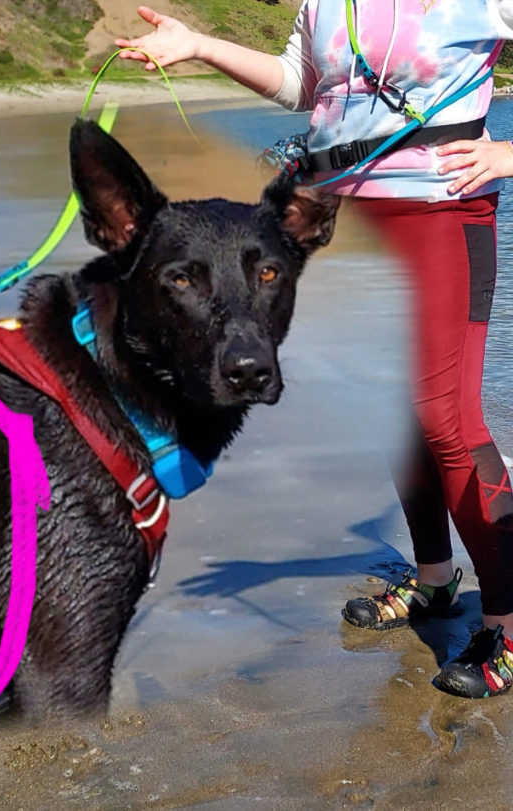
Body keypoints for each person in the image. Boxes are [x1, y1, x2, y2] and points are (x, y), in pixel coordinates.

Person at [115, 1, 513, 698]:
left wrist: (508, 152)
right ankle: (434, 581)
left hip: (438, 211)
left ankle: (508, 624)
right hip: (344, 217)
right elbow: (301, 82)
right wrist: (200, 44)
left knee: (446, 419)